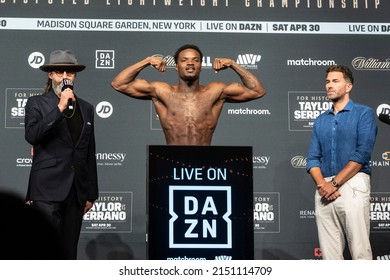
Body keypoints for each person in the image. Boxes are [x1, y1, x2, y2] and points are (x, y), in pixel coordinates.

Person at [111, 44, 266, 145]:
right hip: (172, 160)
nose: (190, 63)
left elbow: (256, 90)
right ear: (177, 67)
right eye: (184, 60)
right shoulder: (162, 91)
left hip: (205, 162)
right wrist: (146, 61)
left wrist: (233, 64)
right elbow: (119, 84)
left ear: (200, 66)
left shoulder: (215, 92)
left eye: (196, 60)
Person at [24, 50, 99, 259]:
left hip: (76, 192)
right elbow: (32, 135)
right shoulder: (36, 103)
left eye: (70, 72)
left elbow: (88, 151)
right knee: (44, 250)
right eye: (59, 72)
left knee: (68, 253)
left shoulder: (87, 108)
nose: (65, 76)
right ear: (50, 75)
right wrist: (60, 107)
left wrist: (91, 193)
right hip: (46, 190)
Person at [306, 65, 377, 260]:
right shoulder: (320, 120)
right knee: (330, 257)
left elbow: (361, 154)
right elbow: (312, 158)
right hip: (324, 188)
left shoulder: (364, 113)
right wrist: (323, 185)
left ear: (348, 86)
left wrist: (334, 183)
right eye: (327, 81)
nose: (329, 85)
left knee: (360, 252)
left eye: (335, 81)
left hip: (353, 182)